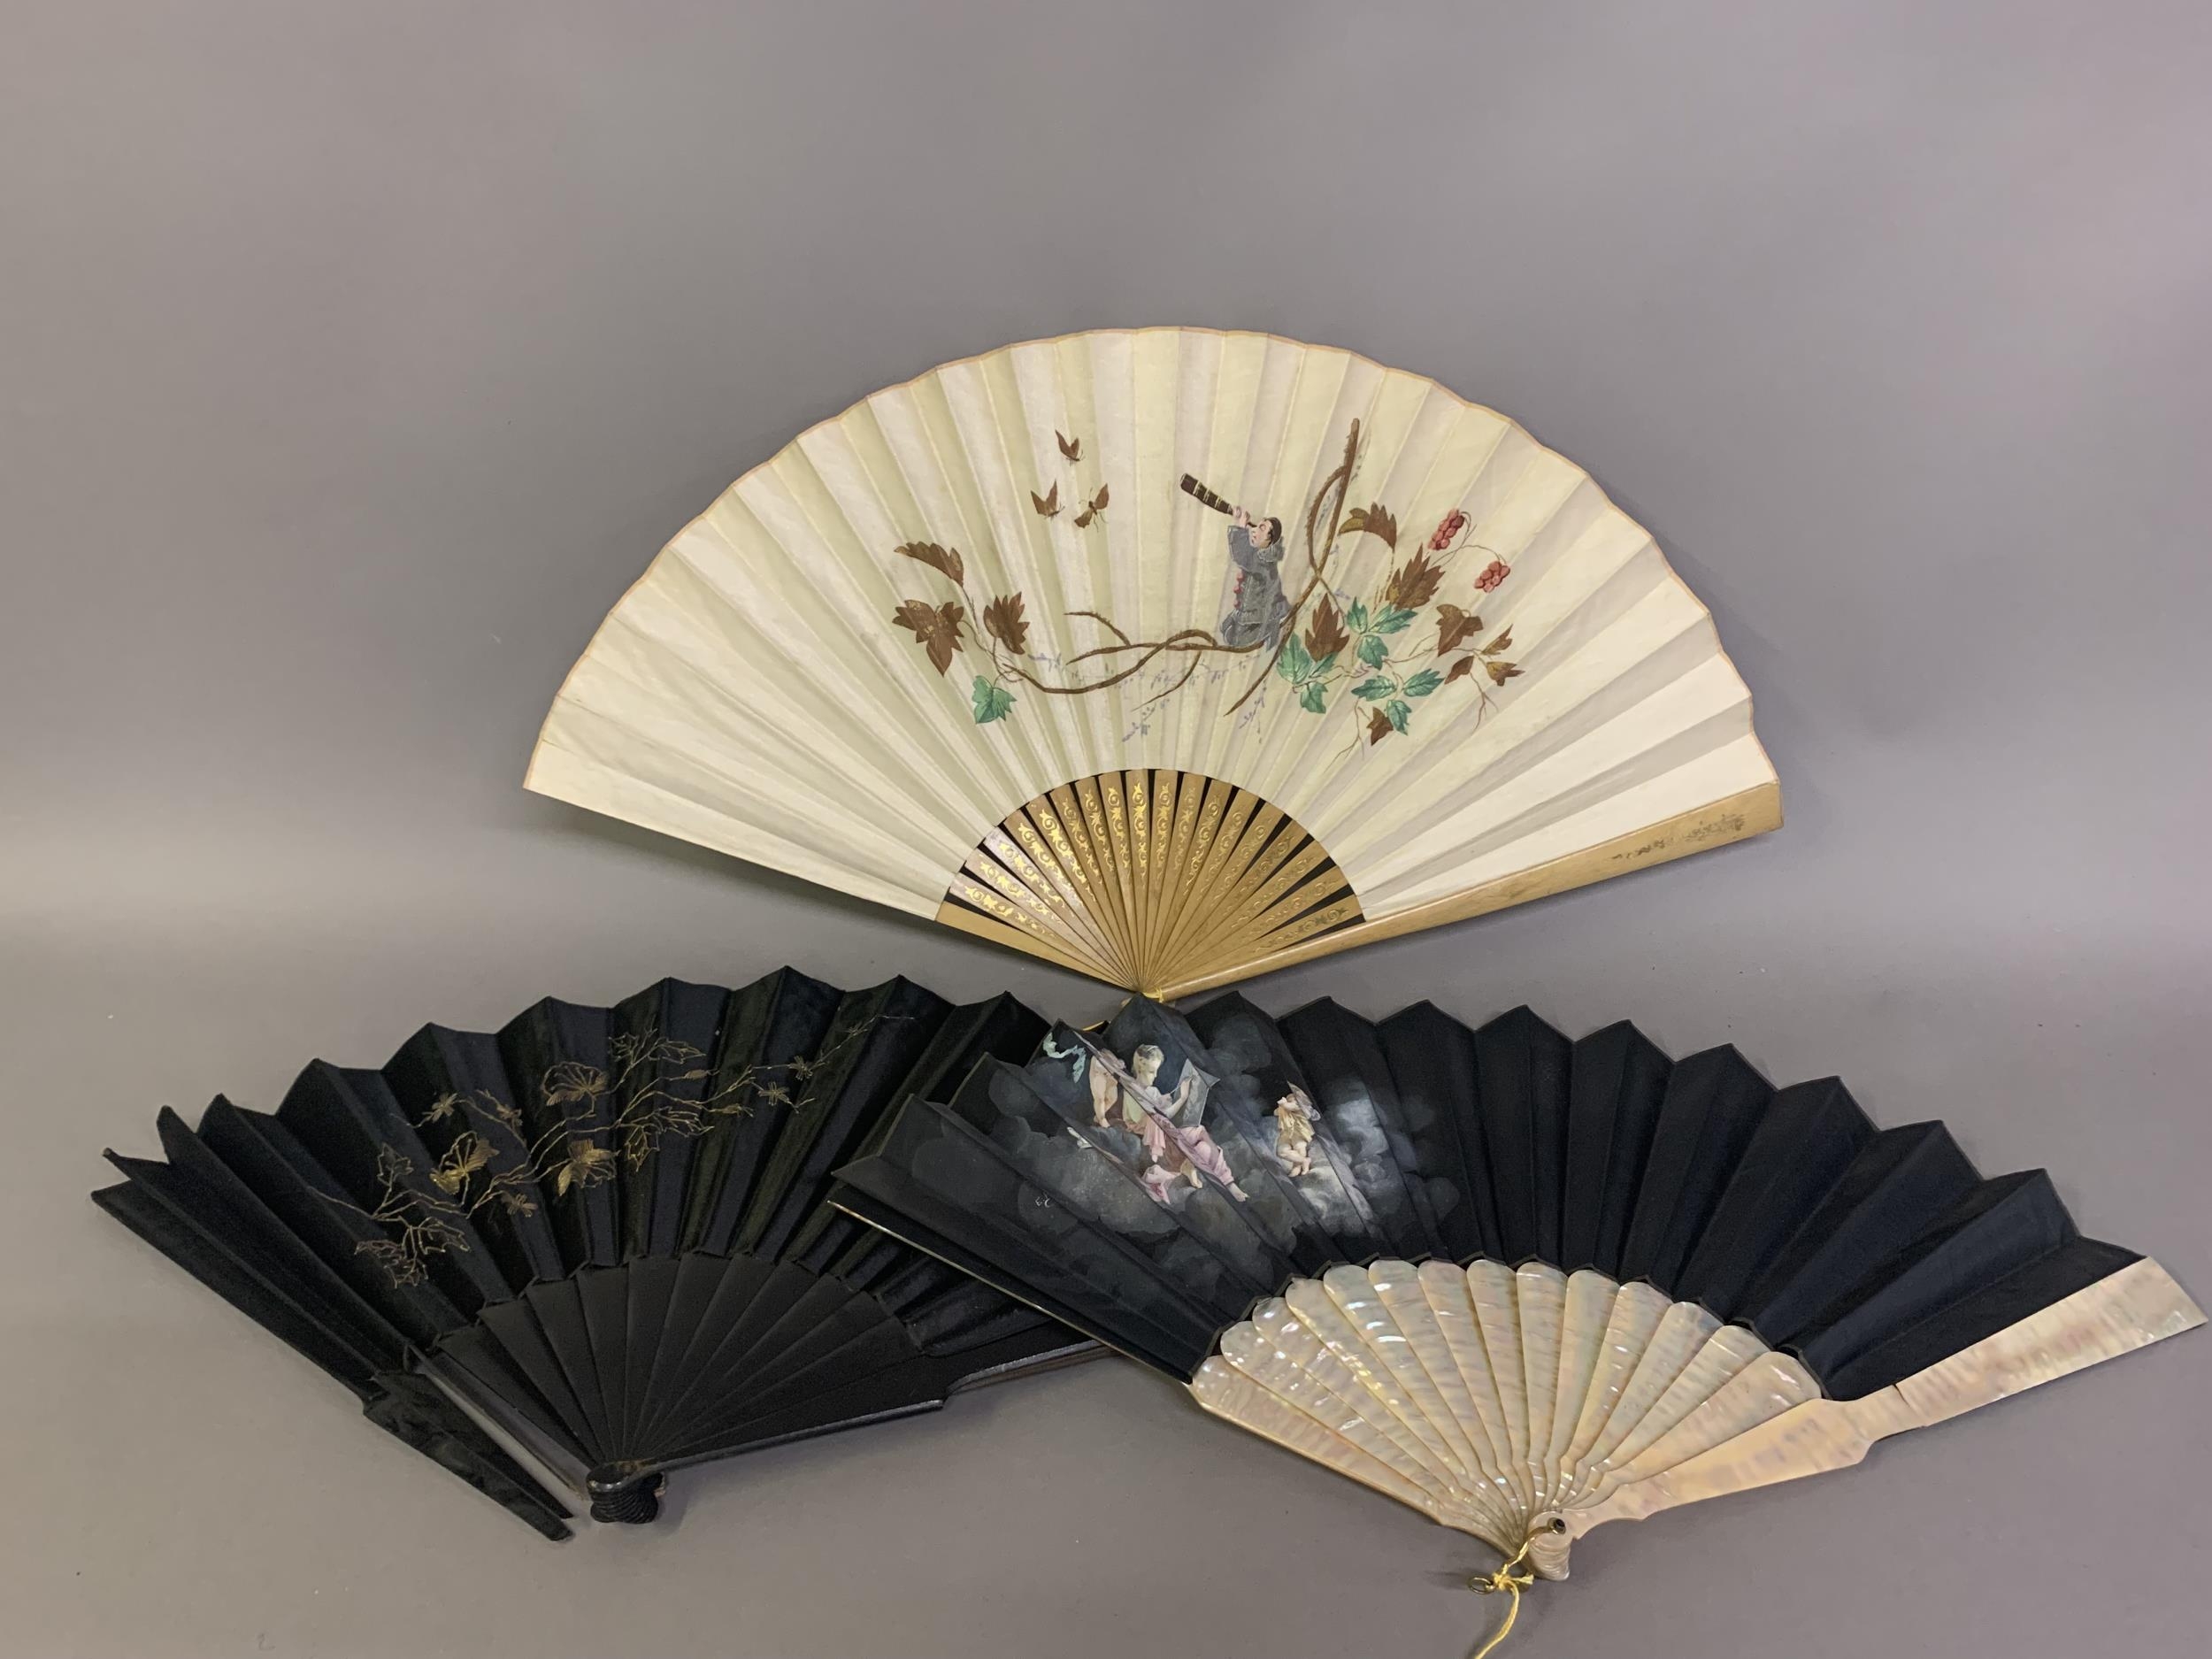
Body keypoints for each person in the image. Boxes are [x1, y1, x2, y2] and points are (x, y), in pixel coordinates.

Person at [1088, 1041, 1248, 1201]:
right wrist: (1182, 1098)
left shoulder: (1152, 1091)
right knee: (1200, 1144)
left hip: (1168, 1133)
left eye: (1156, 1071)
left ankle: (1227, 1182)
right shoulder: (1132, 1091)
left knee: (1201, 1137)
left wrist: (1182, 1100)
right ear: (1140, 1067)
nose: (1155, 1076)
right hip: (1158, 1141)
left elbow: (1165, 1115)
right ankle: (1208, 1177)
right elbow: (1153, 1118)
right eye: (1152, 1071)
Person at [1219, 507, 1290, 649]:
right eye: (1257, 526)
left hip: (1255, 618)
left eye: (1261, 528)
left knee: (1233, 639)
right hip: (1250, 611)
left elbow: (1242, 554)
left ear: (1269, 541)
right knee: (1224, 628)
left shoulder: (1262, 561)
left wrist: (1241, 525)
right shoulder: (1264, 557)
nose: (1255, 530)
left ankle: (1269, 629)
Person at [1271, 1084, 1318, 1178]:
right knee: (1282, 1151)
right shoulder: (1285, 1109)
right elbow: (1276, 1112)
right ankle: (1303, 1161)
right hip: (1286, 1133)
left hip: (1298, 1132)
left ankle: (1297, 1168)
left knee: (1299, 1148)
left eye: (1294, 1099)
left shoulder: (1299, 1107)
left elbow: (1291, 1107)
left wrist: (1284, 1103)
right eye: (1290, 1099)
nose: (1292, 1101)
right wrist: (1283, 1106)